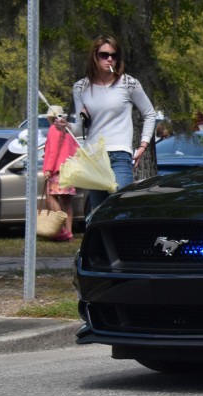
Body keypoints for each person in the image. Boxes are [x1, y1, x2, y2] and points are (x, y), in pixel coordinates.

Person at [69, 36, 156, 208]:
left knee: (120, 207)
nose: (110, 59)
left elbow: (150, 113)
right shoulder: (81, 87)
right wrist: (65, 127)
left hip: (120, 154)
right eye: (104, 55)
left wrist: (143, 146)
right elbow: (80, 128)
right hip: (94, 156)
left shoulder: (128, 83)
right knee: (98, 212)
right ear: (94, 56)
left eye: (114, 55)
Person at [42, 106, 80, 242]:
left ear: (50, 118)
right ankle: (69, 232)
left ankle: (61, 230)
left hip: (57, 169)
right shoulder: (68, 130)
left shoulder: (53, 129)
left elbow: (53, 151)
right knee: (67, 202)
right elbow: (76, 148)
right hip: (68, 169)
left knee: (51, 198)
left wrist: (48, 169)